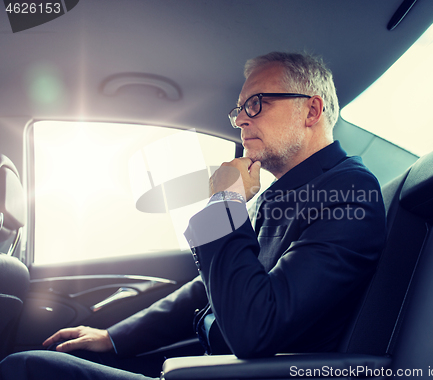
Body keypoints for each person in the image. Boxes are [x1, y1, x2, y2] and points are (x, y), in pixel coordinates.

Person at [0, 52, 386, 380]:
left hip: (240, 371)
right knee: (66, 358)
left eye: (256, 104)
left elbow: (257, 328)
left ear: (312, 110)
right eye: (239, 109)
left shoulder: (349, 192)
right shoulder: (280, 195)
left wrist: (225, 202)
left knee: (26, 369)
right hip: (210, 361)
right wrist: (114, 337)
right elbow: (208, 286)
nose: (240, 120)